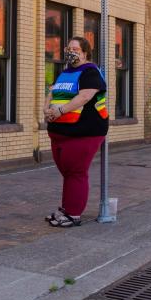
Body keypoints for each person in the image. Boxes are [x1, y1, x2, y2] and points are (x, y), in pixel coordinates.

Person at [43, 37, 109, 228]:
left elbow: (85, 96)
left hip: (84, 132)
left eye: (75, 48)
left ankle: (73, 214)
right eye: (68, 48)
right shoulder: (64, 72)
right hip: (60, 131)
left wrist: (60, 111)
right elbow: (51, 93)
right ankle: (66, 208)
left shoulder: (90, 71)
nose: (70, 51)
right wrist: (46, 110)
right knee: (68, 173)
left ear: (85, 52)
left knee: (76, 172)